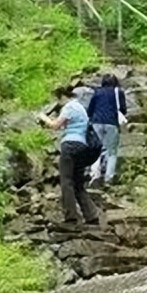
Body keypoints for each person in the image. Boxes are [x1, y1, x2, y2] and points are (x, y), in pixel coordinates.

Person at [39, 85, 99, 226]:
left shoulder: (69, 107)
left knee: (66, 181)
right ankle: (91, 215)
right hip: (82, 147)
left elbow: (55, 125)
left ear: (62, 97)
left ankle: (71, 217)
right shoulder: (81, 108)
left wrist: (43, 117)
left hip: (70, 145)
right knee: (78, 183)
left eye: (58, 100)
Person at [86, 73, 127, 187]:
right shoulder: (118, 92)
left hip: (96, 122)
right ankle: (109, 177)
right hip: (112, 123)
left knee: (96, 150)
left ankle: (94, 174)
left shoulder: (97, 92)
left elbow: (90, 109)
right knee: (112, 152)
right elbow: (123, 109)